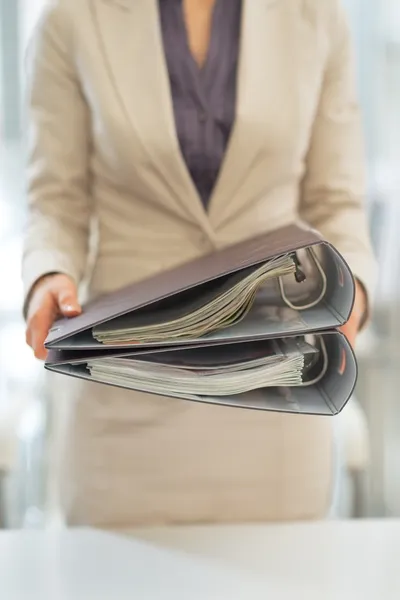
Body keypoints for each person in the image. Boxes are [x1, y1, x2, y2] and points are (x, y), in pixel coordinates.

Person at [23, 0, 375, 528]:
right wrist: (48, 274)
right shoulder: (73, 17)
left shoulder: (317, 15)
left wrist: (355, 291)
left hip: (273, 399)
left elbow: (336, 201)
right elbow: (57, 200)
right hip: (126, 404)